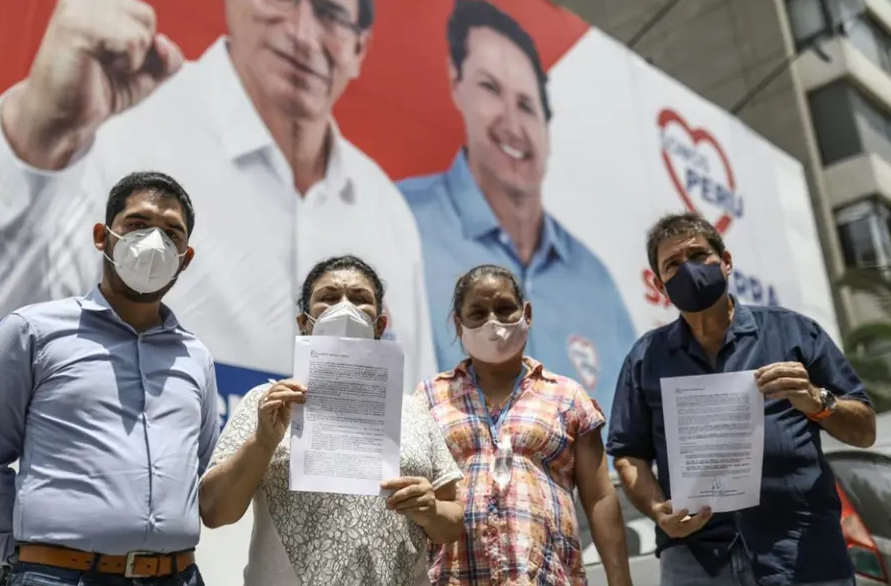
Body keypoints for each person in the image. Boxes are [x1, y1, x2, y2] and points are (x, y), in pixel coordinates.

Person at [0, 0, 435, 395]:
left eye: (329, 13)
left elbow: (414, 415)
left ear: (360, 47)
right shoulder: (117, 126)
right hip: (143, 521)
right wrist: (39, 136)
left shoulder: (385, 212)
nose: (300, 31)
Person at [0, 172, 220, 585]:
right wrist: (17, 560)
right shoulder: (33, 331)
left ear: (185, 258)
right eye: (137, 225)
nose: (155, 243)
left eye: (172, 233)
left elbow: (201, 470)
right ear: (103, 236)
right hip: (60, 576)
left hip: (177, 576)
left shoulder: (196, 357)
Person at [606, 212, 877, 586]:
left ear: (727, 262)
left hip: (801, 550)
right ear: (661, 286)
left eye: (699, 256)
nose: (688, 270)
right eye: (673, 265)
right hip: (697, 559)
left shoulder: (794, 333)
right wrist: (657, 509)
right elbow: (628, 454)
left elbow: (864, 431)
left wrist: (818, 401)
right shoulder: (645, 359)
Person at [398, 0, 634, 404]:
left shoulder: (596, 281)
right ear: (456, 86)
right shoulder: (401, 223)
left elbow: (627, 436)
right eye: (490, 88)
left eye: (526, 105)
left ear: (546, 123)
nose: (512, 123)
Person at [200, 255, 465, 586]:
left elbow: (452, 522)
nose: (344, 307)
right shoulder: (267, 403)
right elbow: (214, 512)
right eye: (328, 297)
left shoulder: (413, 411)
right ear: (304, 321)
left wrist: (430, 511)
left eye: (359, 299)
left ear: (381, 325)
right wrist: (263, 441)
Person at [416, 264, 633, 586]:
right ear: (458, 323)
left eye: (505, 309)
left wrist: (620, 580)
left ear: (526, 313)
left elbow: (600, 496)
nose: (494, 323)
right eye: (478, 313)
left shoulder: (567, 396)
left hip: (544, 576)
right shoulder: (428, 399)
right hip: (453, 577)